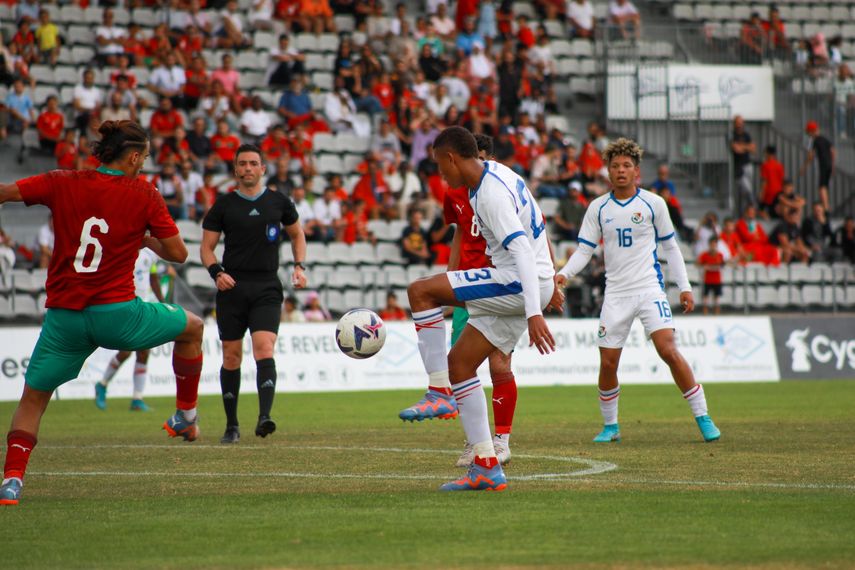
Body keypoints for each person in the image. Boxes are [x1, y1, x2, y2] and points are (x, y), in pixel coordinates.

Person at [0, 120, 205, 506]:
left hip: (64, 319)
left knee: (32, 401)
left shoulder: (62, 180)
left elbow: (6, 192)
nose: (144, 164)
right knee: (193, 328)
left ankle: (11, 482)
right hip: (118, 316)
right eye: (143, 157)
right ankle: (185, 416)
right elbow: (178, 254)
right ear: (131, 157)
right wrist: (143, 237)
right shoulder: (143, 193)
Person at [403, 126, 560, 492]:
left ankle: (439, 392)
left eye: (441, 167)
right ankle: (487, 465)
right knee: (461, 363)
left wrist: (534, 311)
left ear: (452, 158)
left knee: (420, 292)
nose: (441, 175)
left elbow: (520, 249)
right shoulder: (500, 174)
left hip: (518, 282)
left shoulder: (488, 195)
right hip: (528, 280)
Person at [556, 138, 721, 444]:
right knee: (607, 363)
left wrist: (684, 287)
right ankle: (610, 426)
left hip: (649, 289)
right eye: (615, 166)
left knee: (668, 349)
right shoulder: (598, 208)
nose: (620, 171)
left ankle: (703, 416)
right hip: (616, 293)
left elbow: (671, 247)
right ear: (607, 171)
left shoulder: (653, 203)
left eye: (626, 166)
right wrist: (564, 274)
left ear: (636, 172)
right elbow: (584, 251)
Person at [411, 133, 528, 468]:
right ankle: (475, 443)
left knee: (499, 364)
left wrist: (541, 290)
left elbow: (525, 239)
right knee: (460, 364)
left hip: (501, 286)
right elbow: (460, 233)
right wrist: (448, 280)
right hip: (467, 285)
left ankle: (501, 441)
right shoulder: (457, 196)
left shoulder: (495, 190)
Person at [201, 144, 308, 445]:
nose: (248, 168)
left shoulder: (279, 202)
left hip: (266, 287)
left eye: (253, 163)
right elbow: (206, 248)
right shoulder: (223, 205)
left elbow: (297, 233)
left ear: (263, 169)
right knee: (231, 356)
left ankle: (264, 417)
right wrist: (217, 273)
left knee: (264, 348)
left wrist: (299, 266)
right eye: (243, 164)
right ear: (235, 170)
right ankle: (231, 424)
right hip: (232, 288)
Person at [95, 248, 173, 411]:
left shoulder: (149, 254)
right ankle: (102, 385)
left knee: (144, 353)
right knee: (126, 351)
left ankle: (137, 398)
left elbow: (153, 279)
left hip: (142, 307)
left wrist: (163, 302)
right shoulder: (122, 249)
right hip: (125, 306)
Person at [799, 121, 835, 212]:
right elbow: (833, 151)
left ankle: (826, 207)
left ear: (812, 131)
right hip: (829, 165)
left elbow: (811, 155)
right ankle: (827, 205)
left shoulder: (816, 140)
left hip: (823, 165)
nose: (808, 135)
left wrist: (804, 167)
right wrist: (833, 165)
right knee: (825, 186)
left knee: (821, 186)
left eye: (808, 132)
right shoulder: (825, 139)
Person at [731, 115, 756, 211]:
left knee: (749, 187)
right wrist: (746, 147)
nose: (739, 125)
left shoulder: (746, 135)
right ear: (734, 124)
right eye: (737, 123)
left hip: (748, 165)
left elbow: (753, 149)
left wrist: (742, 146)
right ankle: (751, 206)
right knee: (746, 189)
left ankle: (749, 209)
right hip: (738, 166)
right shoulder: (732, 135)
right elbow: (736, 149)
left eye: (741, 123)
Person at [697, 236, 724, 315]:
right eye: (712, 244)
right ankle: (705, 312)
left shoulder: (720, 255)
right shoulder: (704, 255)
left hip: (717, 279)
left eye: (714, 244)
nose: (713, 246)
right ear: (709, 245)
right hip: (707, 279)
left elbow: (722, 265)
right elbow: (698, 264)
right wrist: (704, 267)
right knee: (706, 297)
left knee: (717, 297)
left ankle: (717, 313)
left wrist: (710, 267)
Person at [759, 145, 785, 218]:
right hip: (778, 192)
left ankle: (768, 223)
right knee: (776, 212)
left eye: (765, 153)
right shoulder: (779, 165)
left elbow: (764, 181)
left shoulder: (765, 165)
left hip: (768, 192)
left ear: (768, 153)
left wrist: (761, 193)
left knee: (761, 210)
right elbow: (782, 179)